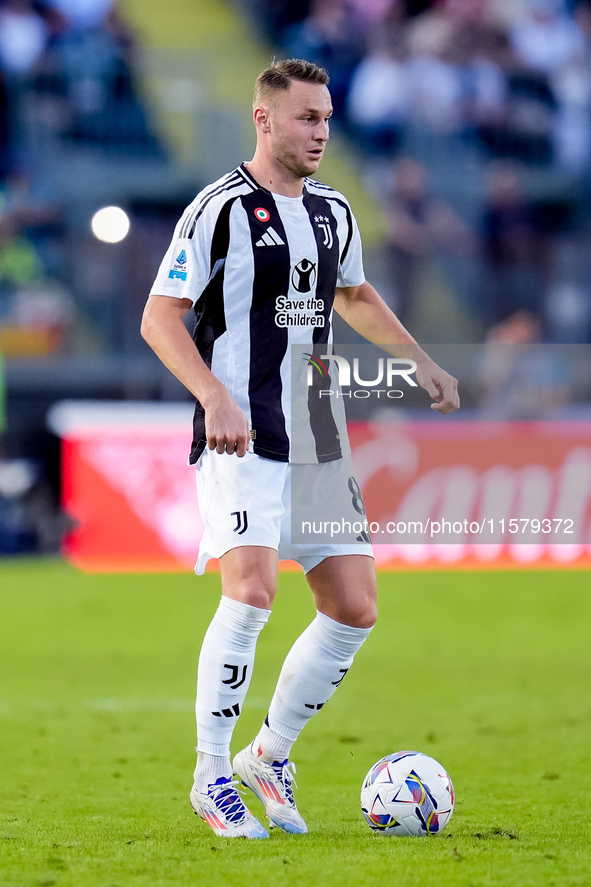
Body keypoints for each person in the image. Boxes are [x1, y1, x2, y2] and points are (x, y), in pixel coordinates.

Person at [141, 58, 459, 840]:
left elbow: (351, 292)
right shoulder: (216, 209)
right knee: (249, 592)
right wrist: (212, 395)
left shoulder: (332, 211)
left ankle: (268, 753)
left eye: (325, 118)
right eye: (306, 118)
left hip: (316, 430)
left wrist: (418, 358)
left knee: (353, 607)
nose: (320, 131)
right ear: (264, 118)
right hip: (240, 428)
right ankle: (210, 772)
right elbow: (160, 317)